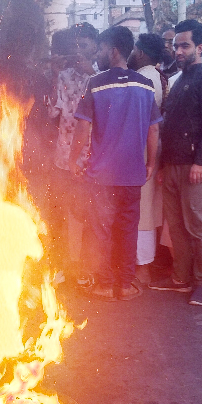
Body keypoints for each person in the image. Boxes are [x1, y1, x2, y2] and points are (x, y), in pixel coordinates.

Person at [69, 27, 161, 301]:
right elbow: (154, 129)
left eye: (100, 49)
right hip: (132, 174)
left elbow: (82, 128)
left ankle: (106, 285)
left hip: (101, 176)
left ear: (113, 51)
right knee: (128, 229)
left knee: (101, 230)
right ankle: (125, 284)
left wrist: (74, 159)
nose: (97, 54)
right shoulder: (145, 85)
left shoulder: (95, 83)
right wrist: (150, 163)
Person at [148, 20, 202, 306]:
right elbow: (169, 125)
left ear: (199, 48)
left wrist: (201, 162)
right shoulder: (180, 79)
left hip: (195, 166)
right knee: (177, 228)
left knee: (198, 228)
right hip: (172, 167)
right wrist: (163, 166)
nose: (178, 51)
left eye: (184, 46)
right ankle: (180, 278)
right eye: (175, 46)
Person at [47, 22, 98, 283]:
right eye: (76, 45)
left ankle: (85, 269)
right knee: (60, 212)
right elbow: (52, 113)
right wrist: (55, 75)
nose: (79, 50)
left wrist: (92, 73)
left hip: (91, 158)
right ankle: (62, 267)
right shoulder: (64, 77)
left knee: (87, 214)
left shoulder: (101, 77)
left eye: (85, 45)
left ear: (96, 47)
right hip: (63, 158)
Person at [127, 32, 167, 284]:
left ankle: (142, 268)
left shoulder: (144, 78)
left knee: (143, 210)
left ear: (140, 53)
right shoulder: (155, 75)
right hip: (148, 148)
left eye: (134, 50)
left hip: (142, 150)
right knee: (145, 208)